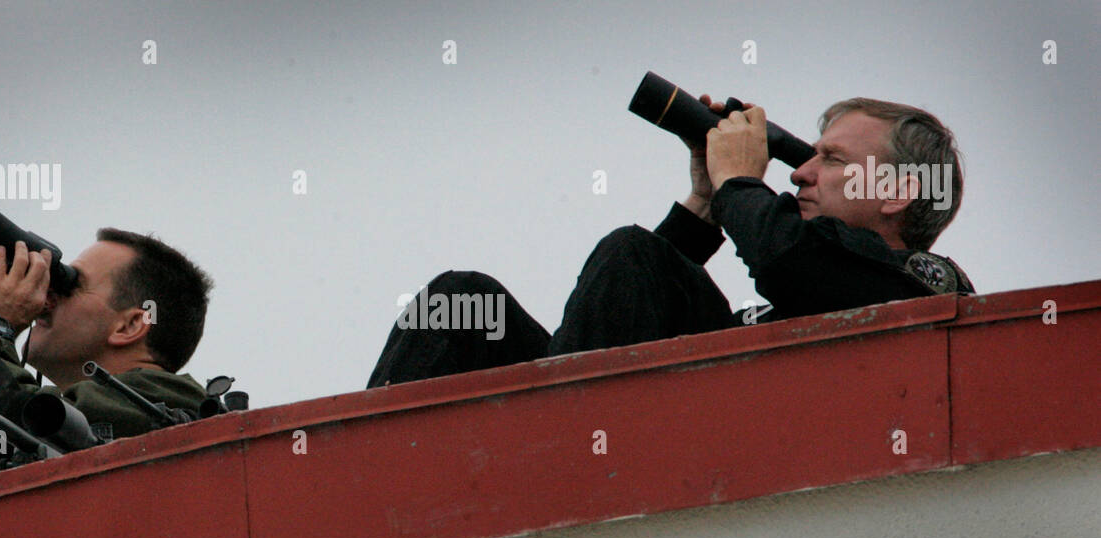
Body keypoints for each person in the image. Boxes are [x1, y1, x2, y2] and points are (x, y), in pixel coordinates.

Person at [368, 95, 974, 388]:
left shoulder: (927, 284)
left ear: (896, 191)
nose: (798, 173)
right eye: (806, 156)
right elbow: (639, 307)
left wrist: (740, 177)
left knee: (634, 251)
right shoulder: (812, 274)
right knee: (464, 302)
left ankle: (556, 439)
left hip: (687, 454)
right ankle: (349, 489)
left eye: (832, 160)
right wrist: (708, 203)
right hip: (654, 414)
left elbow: (788, 263)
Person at [0, 228, 214, 499]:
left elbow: (26, 431)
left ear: (129, 326)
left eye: (71, 284)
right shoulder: (71, 411)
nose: (46, 296)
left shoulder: (170, 406)